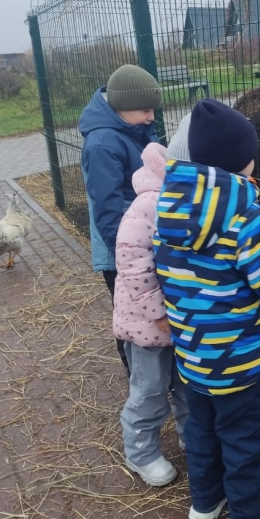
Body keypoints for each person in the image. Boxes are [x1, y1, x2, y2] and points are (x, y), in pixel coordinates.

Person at [153, 98, 260, 519]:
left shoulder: (168, 211)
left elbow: (205, 266)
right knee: (245, 436)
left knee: (203, 430)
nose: (255, 176)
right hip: (240, 360)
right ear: (232, 170)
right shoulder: (247, 218)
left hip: (194, 356)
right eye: (249, 167)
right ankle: (253, 513)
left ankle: (205, 500)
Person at [113, 139, 189, 487]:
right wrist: (157, 309)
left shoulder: (188, 199)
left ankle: (194, 438)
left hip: (180, 321)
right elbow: (130, 258)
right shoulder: (151, 203)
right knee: (150, 389)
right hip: (148, 324)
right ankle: (140, 452)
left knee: (186, 385)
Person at [79, 64, 162, 373]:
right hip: (122, 248)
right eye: (145, 110)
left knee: (146, 307)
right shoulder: (102, 144)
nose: (151, 116)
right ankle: (137, 375)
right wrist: (125, 253)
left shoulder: (133, 127)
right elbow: (107, 206)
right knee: (130, 311)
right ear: (122, 107)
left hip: (139, 239)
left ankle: (157, 374)